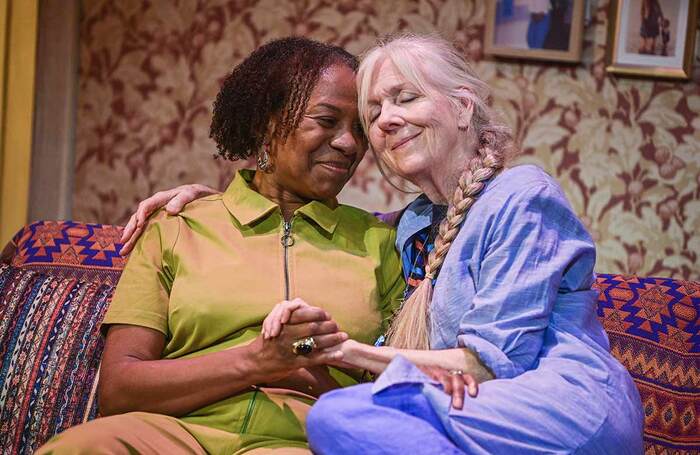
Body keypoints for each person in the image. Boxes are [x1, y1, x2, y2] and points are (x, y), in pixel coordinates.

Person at [138, 33, 645, 454]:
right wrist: (219, 201)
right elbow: (296, 213)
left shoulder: (523, 196)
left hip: (563, 408)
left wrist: (347, 349)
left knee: (342, 415)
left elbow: (489, 365)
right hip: (474, 413)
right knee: (354, 423)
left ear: (463, 108)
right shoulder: (417, 225)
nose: (383, 122)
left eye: (405, 98)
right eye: (374, 111)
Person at [37, 37, 412, 455]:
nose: (349, 143)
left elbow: (397, 399)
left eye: (359, 129)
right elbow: (120, 388)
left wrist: (303, 376)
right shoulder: (179, 226)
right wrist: (255, 361)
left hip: (297, 438)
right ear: (267, 124)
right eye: (326, 121)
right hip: (175, 431)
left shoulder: (381, 243)